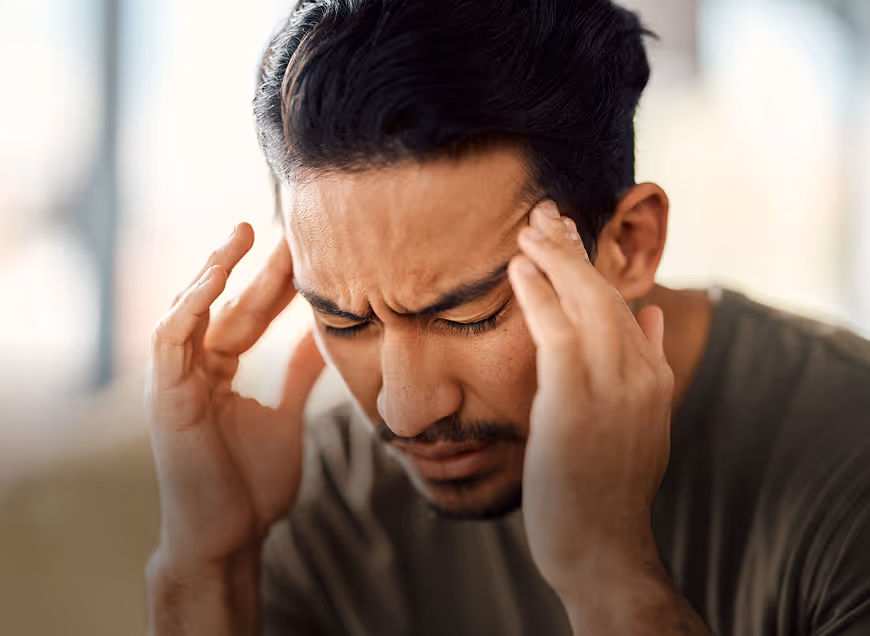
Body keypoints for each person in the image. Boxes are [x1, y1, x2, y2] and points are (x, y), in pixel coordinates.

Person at [144, 0, 870, 634]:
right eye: (345, 322)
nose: (405, 409)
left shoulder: (848, 458)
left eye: (469, 315)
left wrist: (610, 576)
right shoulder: (318, 492)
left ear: (629, 242)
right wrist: (209, 566)